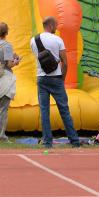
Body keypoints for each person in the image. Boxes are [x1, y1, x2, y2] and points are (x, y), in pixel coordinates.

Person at [29, 16, 80, 148]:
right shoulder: (58, 40)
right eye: (56, 25)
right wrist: (62, 79)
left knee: (44, 111)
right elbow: (65, 62)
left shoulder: (33, 40)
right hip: (56, 78)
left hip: (41, 78)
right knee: (64, 110)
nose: (56, 28)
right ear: (51, 25)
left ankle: (47, 142)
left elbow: (38, 59)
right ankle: (74, 141)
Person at [0, 21, 20, 142]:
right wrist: (16, 62)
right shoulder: (7, 46)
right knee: (3, 110)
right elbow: (9, 64)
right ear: (6, 33)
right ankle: (1, 136)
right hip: (5, 79)